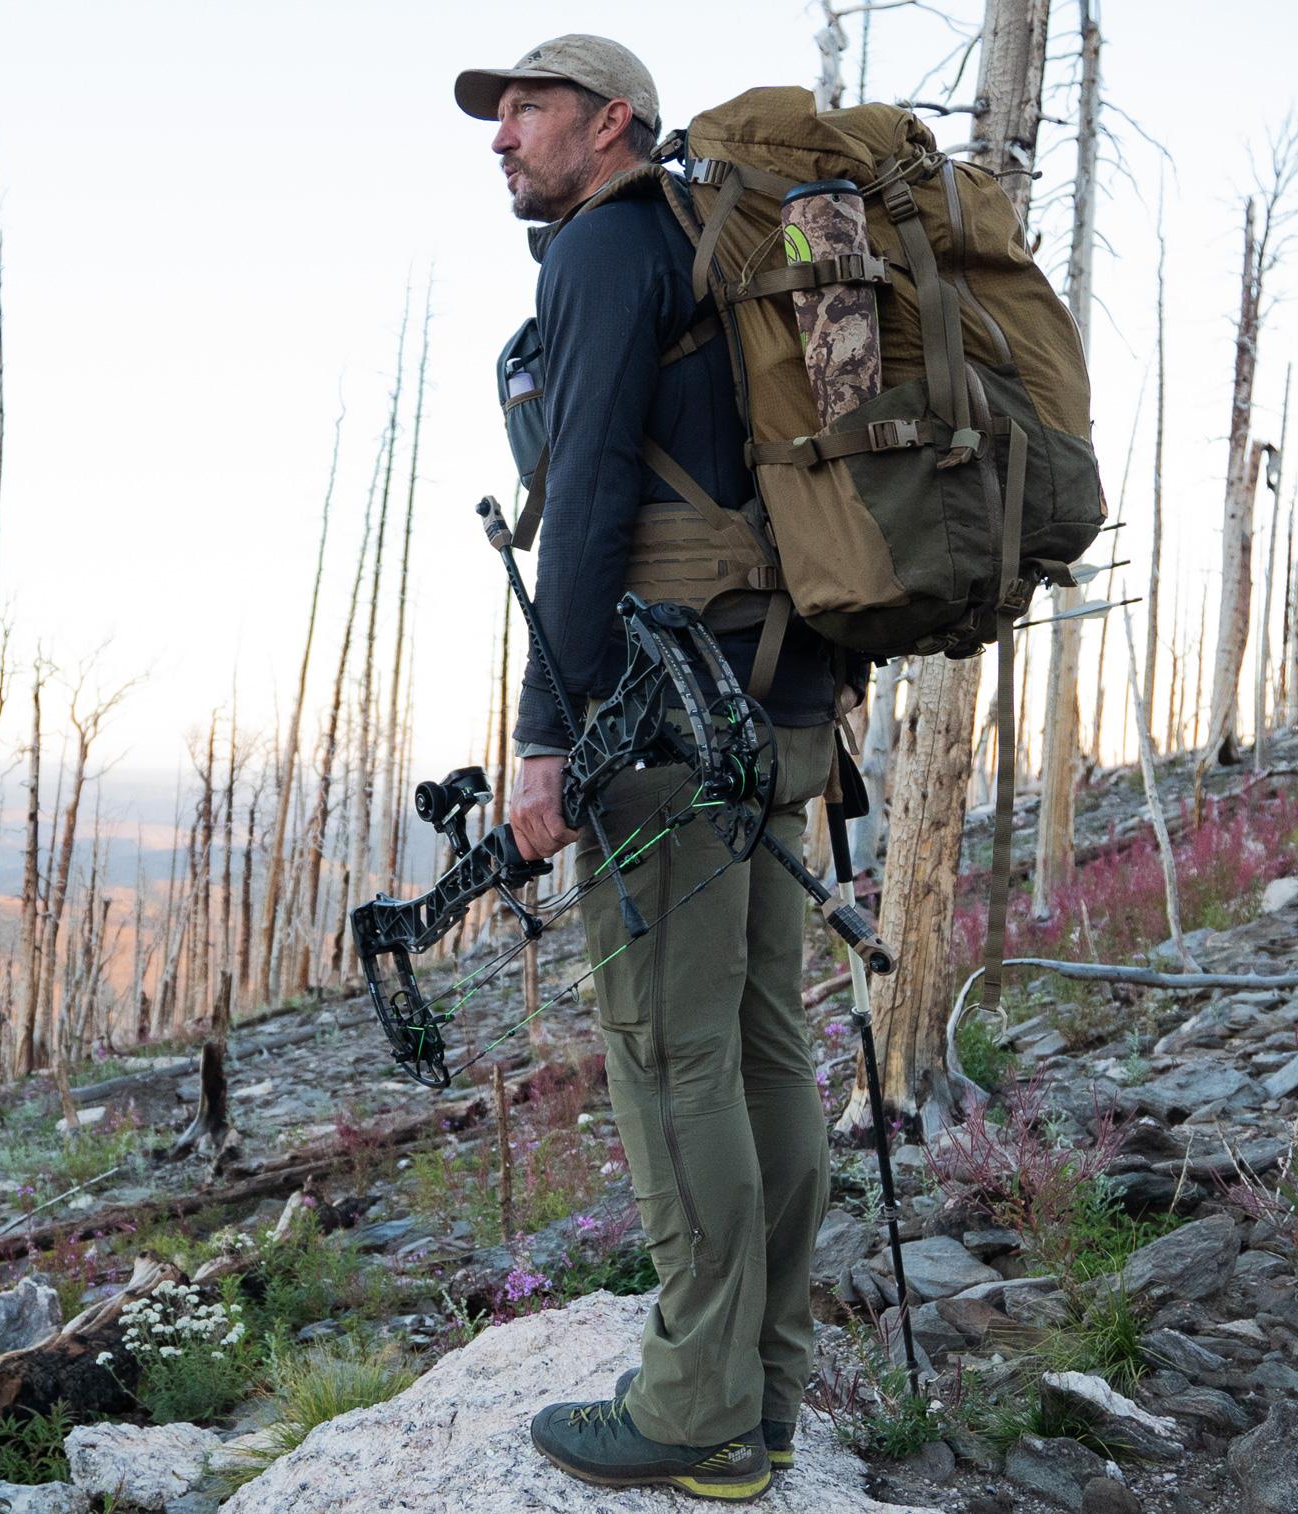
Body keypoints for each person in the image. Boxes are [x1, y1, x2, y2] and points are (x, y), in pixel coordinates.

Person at [455, 34, 844, 1503]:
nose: (502, 136)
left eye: (528, 108)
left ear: (613, 121)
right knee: (760, 1048)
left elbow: (592, 491)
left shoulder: (607, 249)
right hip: (780, 698)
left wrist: (546, 731)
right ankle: (768, 1393)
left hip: (666, 719)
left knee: (675, 1059)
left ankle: (695, 1413)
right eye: (496, 115)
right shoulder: (714, 244)